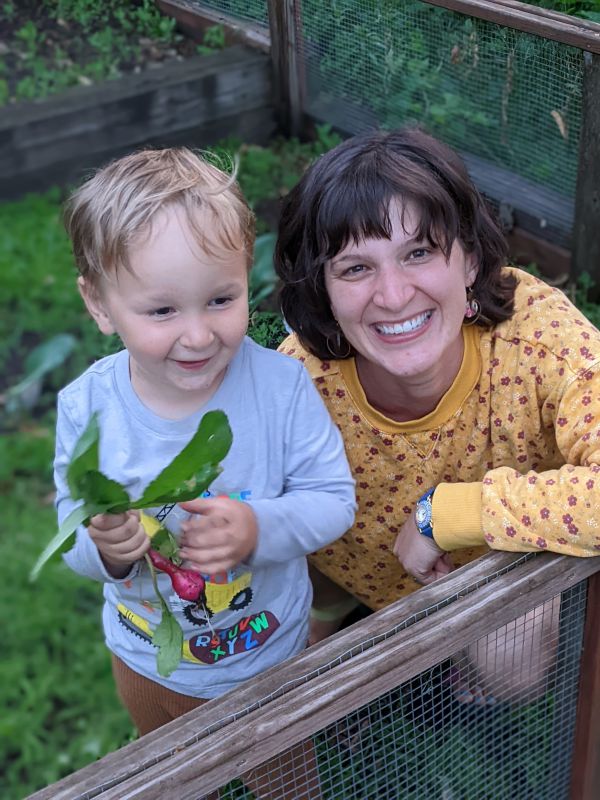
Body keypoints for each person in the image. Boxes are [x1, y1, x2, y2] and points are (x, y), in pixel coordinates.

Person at [55, 147, 356, 798]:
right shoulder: (87, 409)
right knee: (171, 769)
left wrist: (257, 526)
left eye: (221, 299)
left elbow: (334, 500)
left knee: (285, 781)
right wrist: (102, 548)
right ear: (100, 305)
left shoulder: (280, 387)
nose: (197, 336)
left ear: (248, 278)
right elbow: (71, 530)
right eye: (162, 311)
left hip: (265, 656)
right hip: (144, 654)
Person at [274, 126, 600, 704]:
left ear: (469, 259)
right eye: (355, 268)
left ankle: (475, 690)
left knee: (514, 666)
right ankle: (328, 619)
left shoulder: (541, 339)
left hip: (489, 569)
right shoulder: (297, 378)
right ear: (322, 290)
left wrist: (445, 514)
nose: (394, 295)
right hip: (356, 567)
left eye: (419, 252)